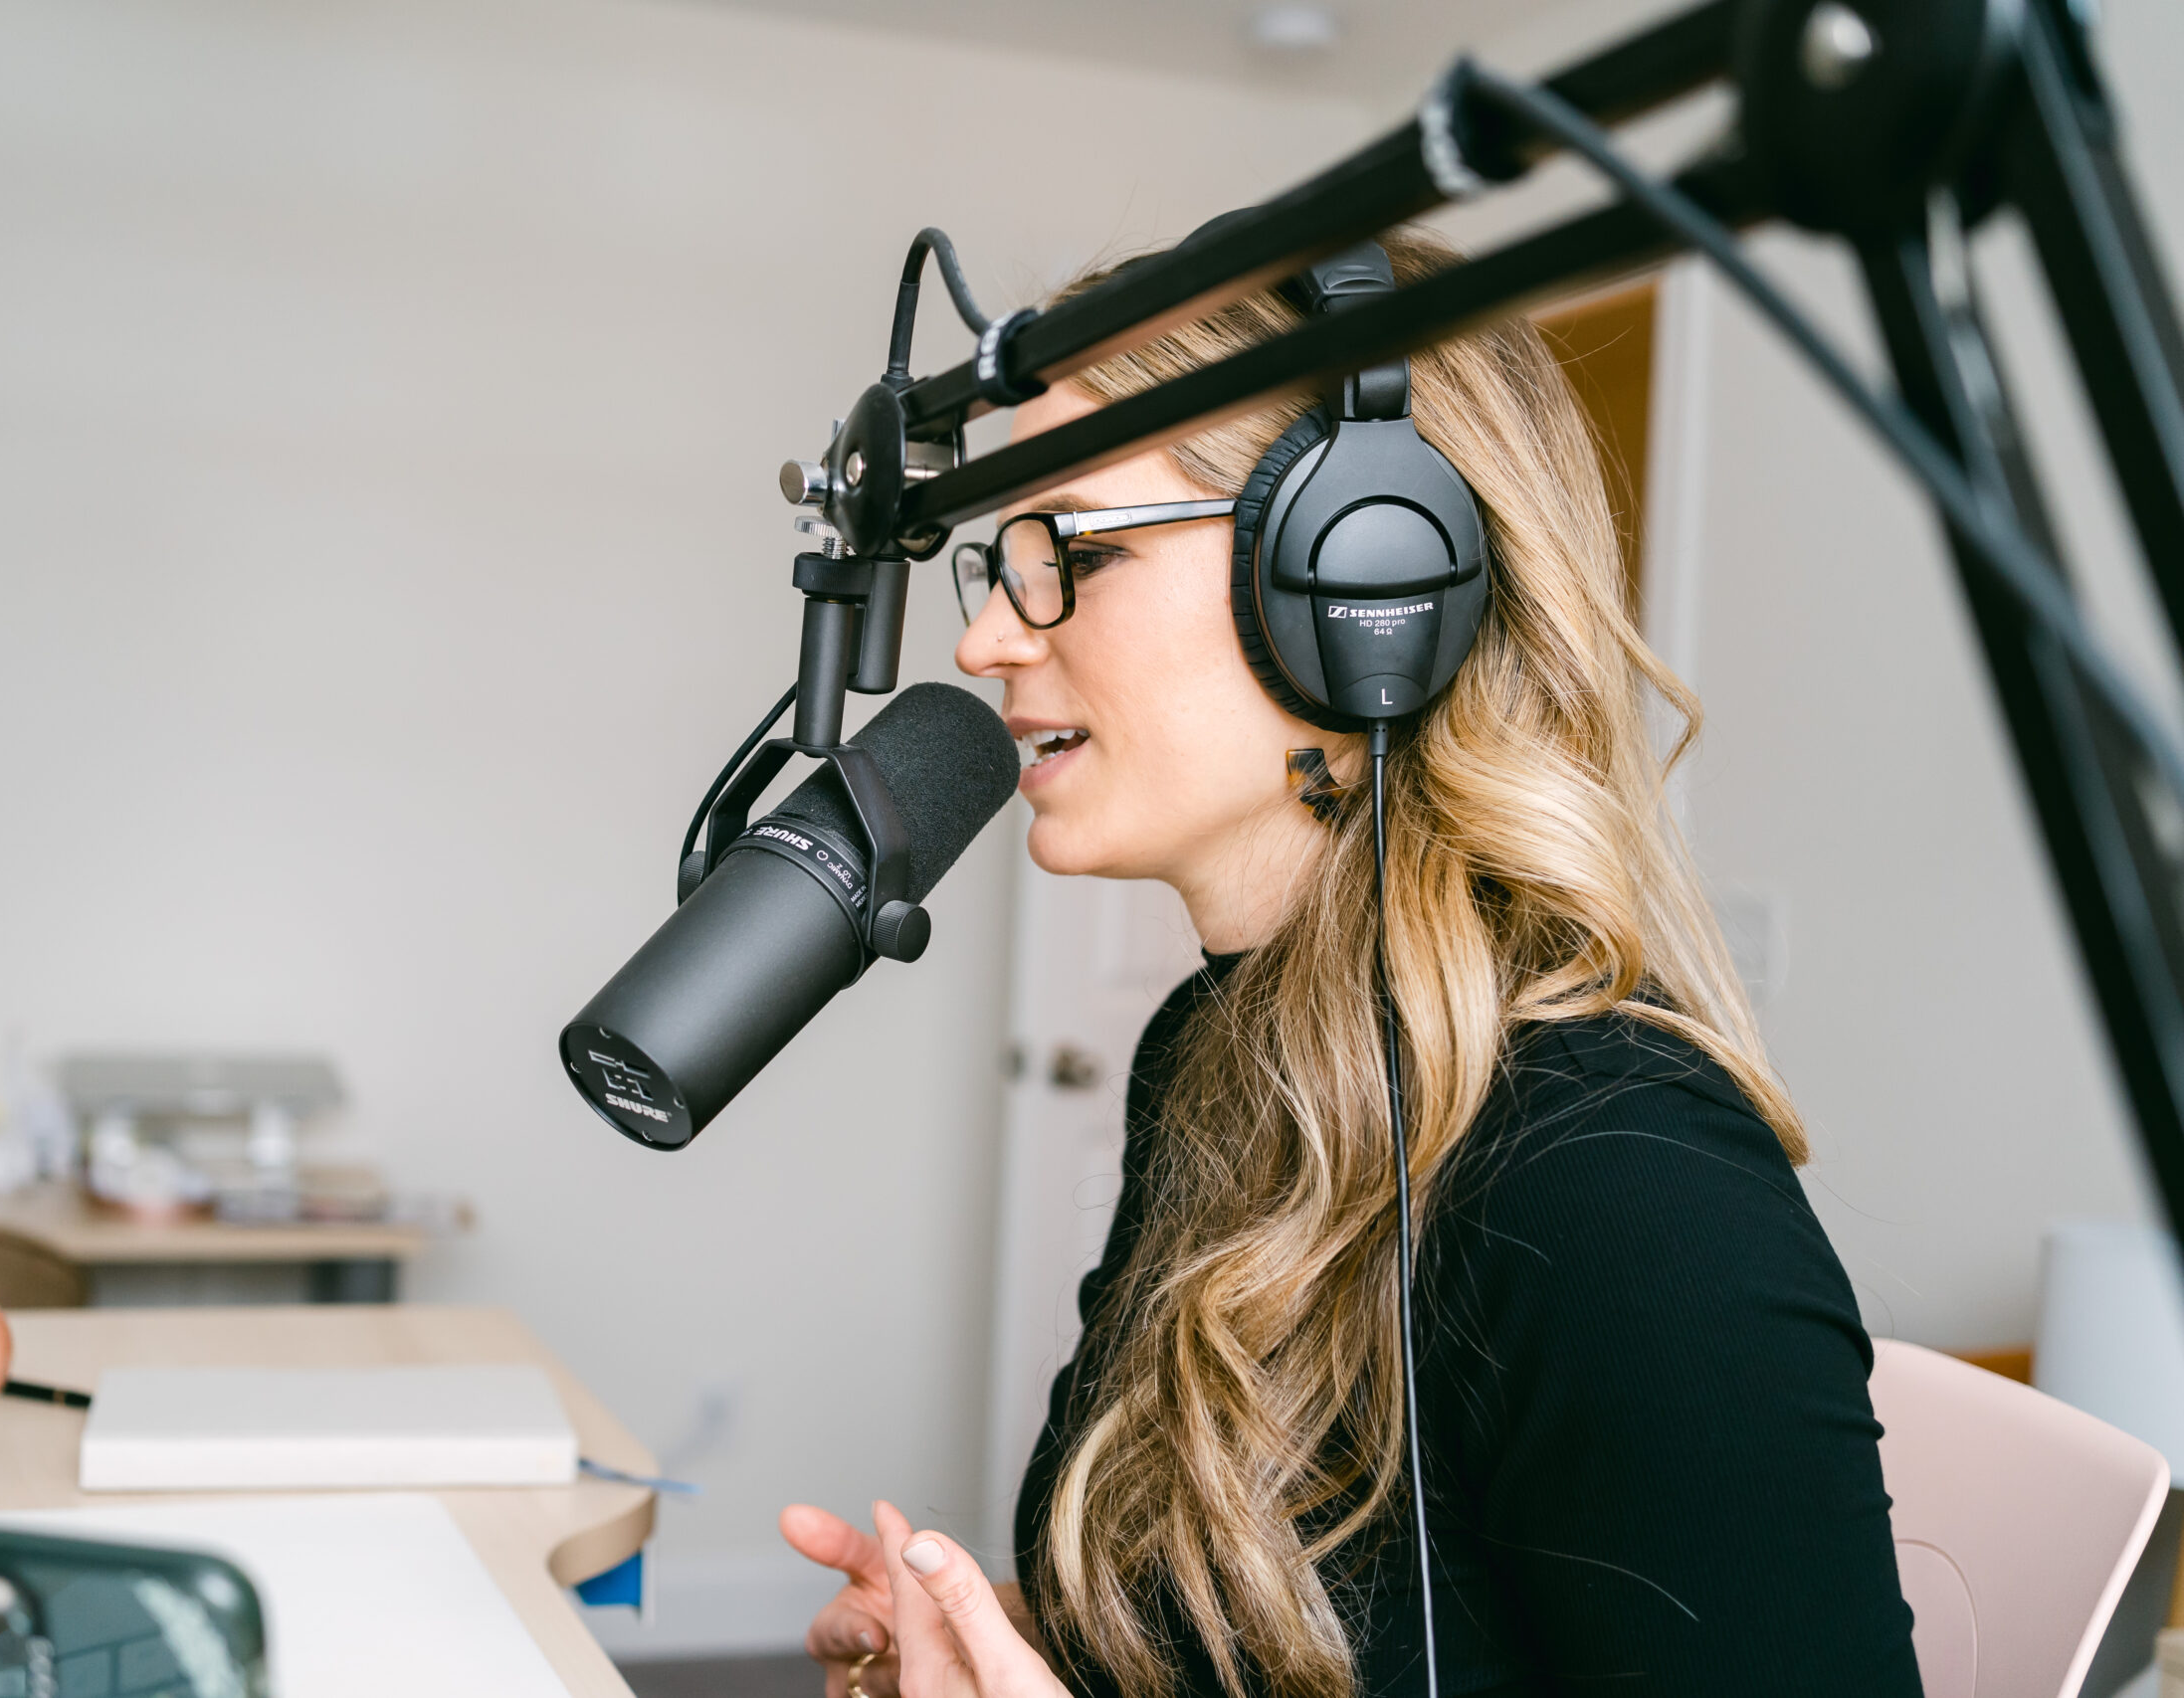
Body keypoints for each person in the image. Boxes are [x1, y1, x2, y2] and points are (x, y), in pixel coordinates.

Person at [780, 226, 1923, 1698]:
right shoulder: (1217, 1051)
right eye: (999, 565)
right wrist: (1013, 1633)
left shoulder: (1621, 1176)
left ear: (1360, 574)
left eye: (1070, 551)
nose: (996, 635)